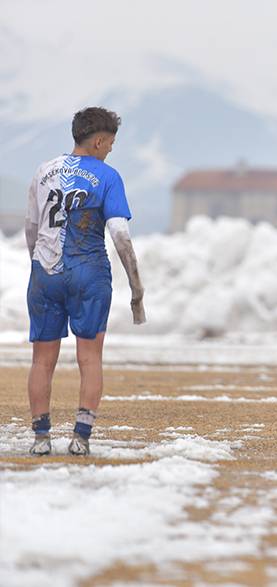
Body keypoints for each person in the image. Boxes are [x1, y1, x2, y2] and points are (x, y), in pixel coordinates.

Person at [24, 106, 145, 456]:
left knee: (41, 359)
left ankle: (41, 438)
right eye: (110, 144)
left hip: (44, 274)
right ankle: (80, 438)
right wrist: (136, 286)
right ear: (100, 140)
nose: (110, 150)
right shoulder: (108, 176)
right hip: (89, 273)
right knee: (89, 357)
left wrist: (38, 266)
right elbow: (120, 234)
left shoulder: (44, 171)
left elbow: (32, 229)